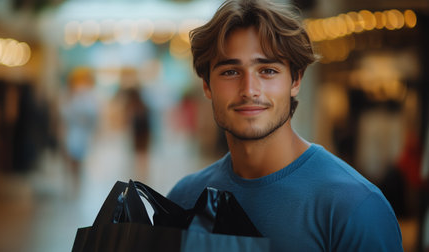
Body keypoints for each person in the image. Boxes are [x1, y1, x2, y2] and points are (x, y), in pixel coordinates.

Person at [166, 0, 403, 251]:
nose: (249, 90)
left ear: (296, 80)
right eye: (230, 72)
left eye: (267, 70)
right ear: (206, 85)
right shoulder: (185, 198)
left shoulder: (355, 207)